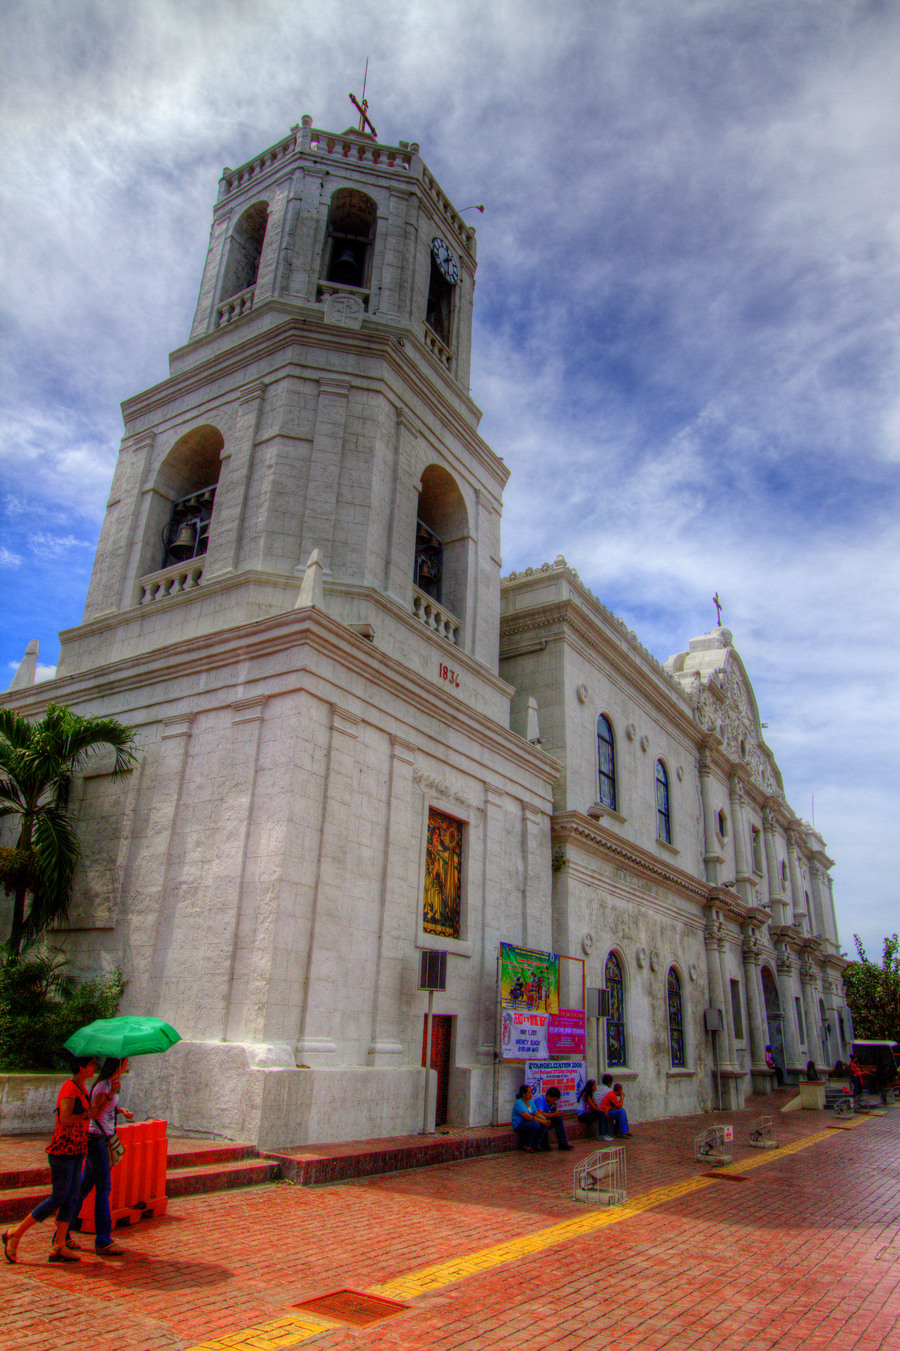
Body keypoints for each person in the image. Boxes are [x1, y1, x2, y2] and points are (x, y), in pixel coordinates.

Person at [3, 1055, 99, 1264]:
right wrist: (85, 1115)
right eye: (91, 1064)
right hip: (62, 1151)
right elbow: (64, 1119)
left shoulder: (82, 1088)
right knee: (58, 1197)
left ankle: (60, 1244)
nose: (94, 1067)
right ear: (82, 1066)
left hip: (76, 1150)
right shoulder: (70, 1088)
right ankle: (16, 1233)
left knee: (72, 1197)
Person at [73, 1056, 134, 1256]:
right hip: (96, 1139)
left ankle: (64, 1230)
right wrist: (111, 1095)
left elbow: (105, 1109)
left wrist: (119, 1109)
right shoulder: (102, 1086)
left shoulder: (110, 1084)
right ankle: (103, 1239)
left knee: (84, 1187)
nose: (127, 1066)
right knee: (103, 1189)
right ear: (119, 1065)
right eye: (125, 1063)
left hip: (102, 1138)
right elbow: (94, 1112)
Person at [532, 1086, 573, 1150]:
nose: (554, 1102)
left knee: (558, 1119)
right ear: (548, 1096)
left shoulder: (550, 1103)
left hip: (546, 1119)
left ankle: (563, 1143)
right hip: (539, 1120)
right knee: (545, 1123)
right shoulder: (540, 1100)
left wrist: (554, 1110)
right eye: (553, 1100)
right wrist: (553, 1114)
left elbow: (549, 1113)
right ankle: (544, 1145)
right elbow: (540, 1114)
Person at [511, 1084, 549, 1152]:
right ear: (524, 1094)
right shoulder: (519, 1103)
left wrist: (545, 1120)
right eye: (529, 1092)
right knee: (535, 1124)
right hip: (520, 1124)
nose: (531, 1094)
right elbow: (528, 1117)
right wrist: (542, 1121)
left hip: (529, 1122)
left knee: (543, 1126)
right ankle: (527, 1144)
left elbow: (536, 1113)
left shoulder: (531, 1102)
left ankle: (537, 1144)